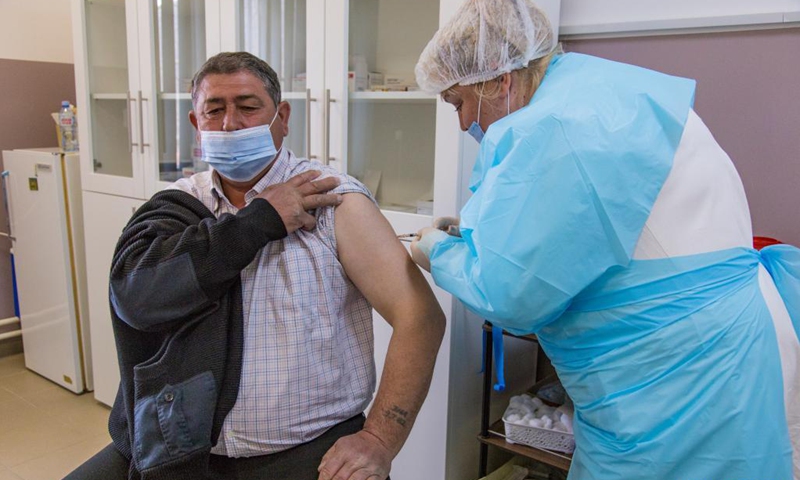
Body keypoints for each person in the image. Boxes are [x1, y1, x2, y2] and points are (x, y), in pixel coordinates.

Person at [410, 0, 800, 479]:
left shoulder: (555, 126)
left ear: (497, 79)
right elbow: (589, 233)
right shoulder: (602, 91)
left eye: (458, 102)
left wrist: (439, 252)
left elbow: (510, 292)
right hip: (730, 343)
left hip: (687, 376)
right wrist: (479, 239)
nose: (462, 120)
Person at [65, 52, 445, 480]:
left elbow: (421, 318)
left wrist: (379, 439)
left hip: (308, 455)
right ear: (196, 124)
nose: (230, 124)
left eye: (248, 107)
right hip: (181, 454)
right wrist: (260, 217)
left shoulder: (333, 201)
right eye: (214, 110)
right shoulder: (180, 206)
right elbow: (135, 296)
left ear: (282, 117)